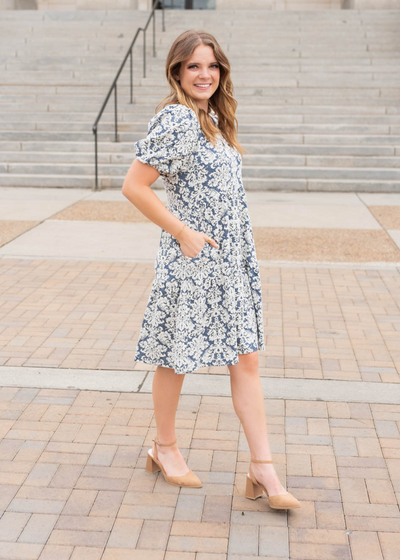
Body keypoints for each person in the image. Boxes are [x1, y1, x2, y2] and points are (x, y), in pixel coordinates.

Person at [122, 29, 300, 510]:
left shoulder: (215, 118)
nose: (205, 74)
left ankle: (263, 470)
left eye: (212, 66)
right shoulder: (177, 118)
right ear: (178, 71)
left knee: (246, 359)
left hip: (231, 261)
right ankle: (164, 447)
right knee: (175, 356)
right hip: (193, 259)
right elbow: (134, 186)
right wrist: (183, 233)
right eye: (194, 66)